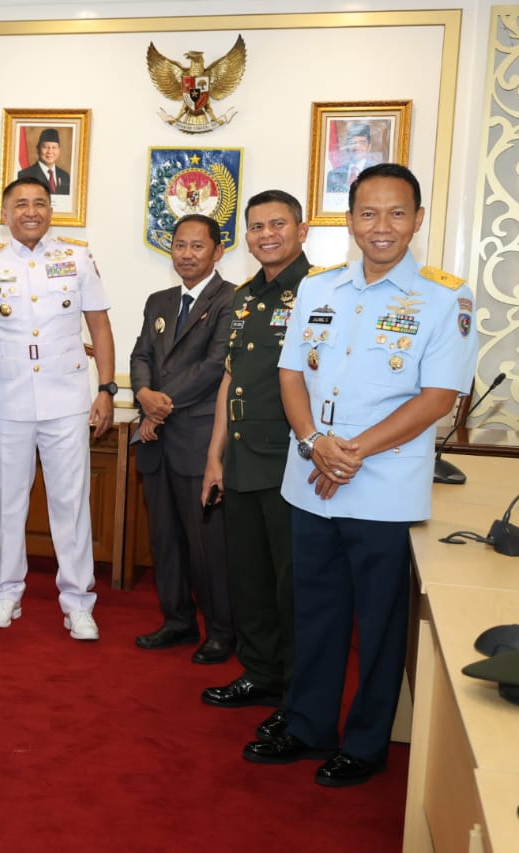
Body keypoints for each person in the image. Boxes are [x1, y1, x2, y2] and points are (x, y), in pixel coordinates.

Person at [243, 163, 477, 786]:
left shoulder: (445, 297)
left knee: (379, 625)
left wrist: (350, 454)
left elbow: (438, 397)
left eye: (397, 213)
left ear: (418, 220)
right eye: (368, 213)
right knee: (314, 614)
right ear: (349, 221)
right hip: (311, 480)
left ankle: (368, 742)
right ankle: (308, 725)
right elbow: (291, 373)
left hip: (383, 490)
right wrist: (315, 443)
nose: (382, 226)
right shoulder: (319, 289)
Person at [0, 177, 116, 640]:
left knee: (70, 503)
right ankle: (5, 593)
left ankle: (78, 602)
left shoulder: (77, 258)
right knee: (6, 502)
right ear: (5, 213)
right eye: (20, 204)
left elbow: (100, 326)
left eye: (39, 203)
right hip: (5, 398)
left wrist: (106, 389)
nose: (30, 211)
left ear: (51, 210)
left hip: (66, 398)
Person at [199, 190, 312, 740]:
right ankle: (261, 673)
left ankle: (298, 694)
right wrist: (214, 457)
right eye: (257, 226)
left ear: (302, 230)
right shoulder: (244, 297)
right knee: (249, 578)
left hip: (291, 461)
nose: (267, 235)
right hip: (243, 458)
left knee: (292, 586)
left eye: (278, 224)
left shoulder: (320, 291)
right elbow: (230, 377)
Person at [129, 214, 235, 663]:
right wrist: (143, 394)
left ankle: (222, 631)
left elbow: (215, 367)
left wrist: (160, 404)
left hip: (199, 441)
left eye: (197, 246)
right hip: (156, 441)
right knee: (166, 540)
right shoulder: (159, 300)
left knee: (208, 546)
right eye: (179, 245)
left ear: (218, 251)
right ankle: (177, 621)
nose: (186, 254)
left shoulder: (232, 299)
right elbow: (140, 355)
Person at [17, 128, 70, 195]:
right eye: (45, 147)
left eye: (54, 147)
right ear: (38, 149)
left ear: (59, 150)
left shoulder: (65, 176)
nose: (50, 151)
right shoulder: (24, 175)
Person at [325, 123, 377, 192]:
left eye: (362, 143)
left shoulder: (377, 174)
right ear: (347, 146)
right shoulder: (333, 174)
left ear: (369, 147)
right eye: (352, 143)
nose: (357, 147)